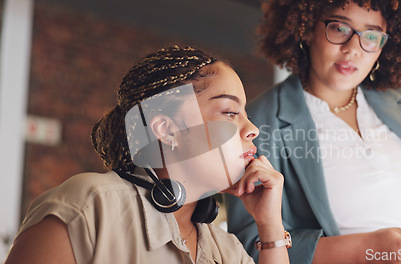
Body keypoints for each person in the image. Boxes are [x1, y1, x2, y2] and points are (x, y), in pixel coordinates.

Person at [5, 46, 290, 264]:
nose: (252, 129)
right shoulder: (91, 206)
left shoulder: (227, 251)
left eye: (246, 115)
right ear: (167, 130)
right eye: (230, 112)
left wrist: (270, 226)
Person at [225, 0, 401, 263]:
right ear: (305, 26)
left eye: (371, 36)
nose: (353, 50)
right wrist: (367, 247)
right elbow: (247, 245)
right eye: (340, 28)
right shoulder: (260, 122)